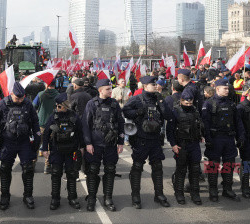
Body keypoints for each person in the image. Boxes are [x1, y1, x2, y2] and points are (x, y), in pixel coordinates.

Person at [0, 82, 41, 210]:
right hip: (8, 141)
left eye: (22, 98)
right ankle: (5, 196)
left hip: (24, 141)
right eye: (17, 98)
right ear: (11, 94)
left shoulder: (28, 104)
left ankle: (28, 195)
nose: (20, 100)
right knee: (5, 169)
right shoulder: (3, 104)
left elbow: (35, 121)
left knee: (28, 169)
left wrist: (37, 139)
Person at [123, 76, 173, 209]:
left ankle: (159, 194)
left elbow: (168, 115)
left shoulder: (158, 99)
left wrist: (161, 100)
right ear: (145, 86)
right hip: (141, 139)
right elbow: (126, 111)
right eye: (153, 84)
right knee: (137, 167)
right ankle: (135, 196)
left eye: (155, 84)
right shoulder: (137, 99)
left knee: (157, 167)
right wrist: (138, 112)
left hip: (156, 139)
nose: (155, 86)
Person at [82, 79, 124, 212]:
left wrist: (121, 142)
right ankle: (92, 198)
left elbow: (121, 123)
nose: (110, 91)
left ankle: (108, 198)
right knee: (92, 171)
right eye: (108, 89)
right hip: (95, 144)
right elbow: (86, 125)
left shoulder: (114, 104)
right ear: (100, 90)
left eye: (111, 88)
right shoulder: (91, 104)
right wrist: (88, 143)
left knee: (110, 170)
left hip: (110, 144)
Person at [202, 78, 245, 202]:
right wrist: (208, 139)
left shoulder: (231, 104)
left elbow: (238, 122)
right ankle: (213, 190)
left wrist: (241, 137)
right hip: (215, 139)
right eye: (225, 88)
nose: (227, 90)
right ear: (217, 89)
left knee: (229, 164)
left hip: (229, 138)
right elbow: (205, 123)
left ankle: (227, 189)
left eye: (228, 88)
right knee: (213, 165)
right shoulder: (209, 104)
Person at [42, 93, 83, 210]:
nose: (57, 109)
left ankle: (72, 197)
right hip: (56, 150)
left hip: (71, 150)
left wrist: (82, 147)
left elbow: (80, 132)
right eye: (56, 107)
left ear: (65, 106)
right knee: (55, 174)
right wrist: (45, 149)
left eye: (59, 106)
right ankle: (55, 198)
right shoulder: (53, 117)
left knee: (71, 174)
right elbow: (46, 134)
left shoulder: (74, 116)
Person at [167, 89, 203, 205]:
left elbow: (199, 125)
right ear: (181, 101)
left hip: (194, 144)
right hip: (181, 145)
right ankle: (179, 193)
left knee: (195, 169)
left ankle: (195, 193)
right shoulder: (175, 111)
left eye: (190, 103)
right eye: (186, 103)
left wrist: (201, 134)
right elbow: (170, 130)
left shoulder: (195, 111)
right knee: (181, 170)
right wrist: (173, 145)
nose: (188, 105)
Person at [35, 80, 59, 170]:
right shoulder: (58, 95)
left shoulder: (41, 94)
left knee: (37, 144)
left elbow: (34, 106)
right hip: (53, 123)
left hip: (41, 123)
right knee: (50, 145)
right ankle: (47, 165)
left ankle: (32, 164)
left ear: (46, 84)